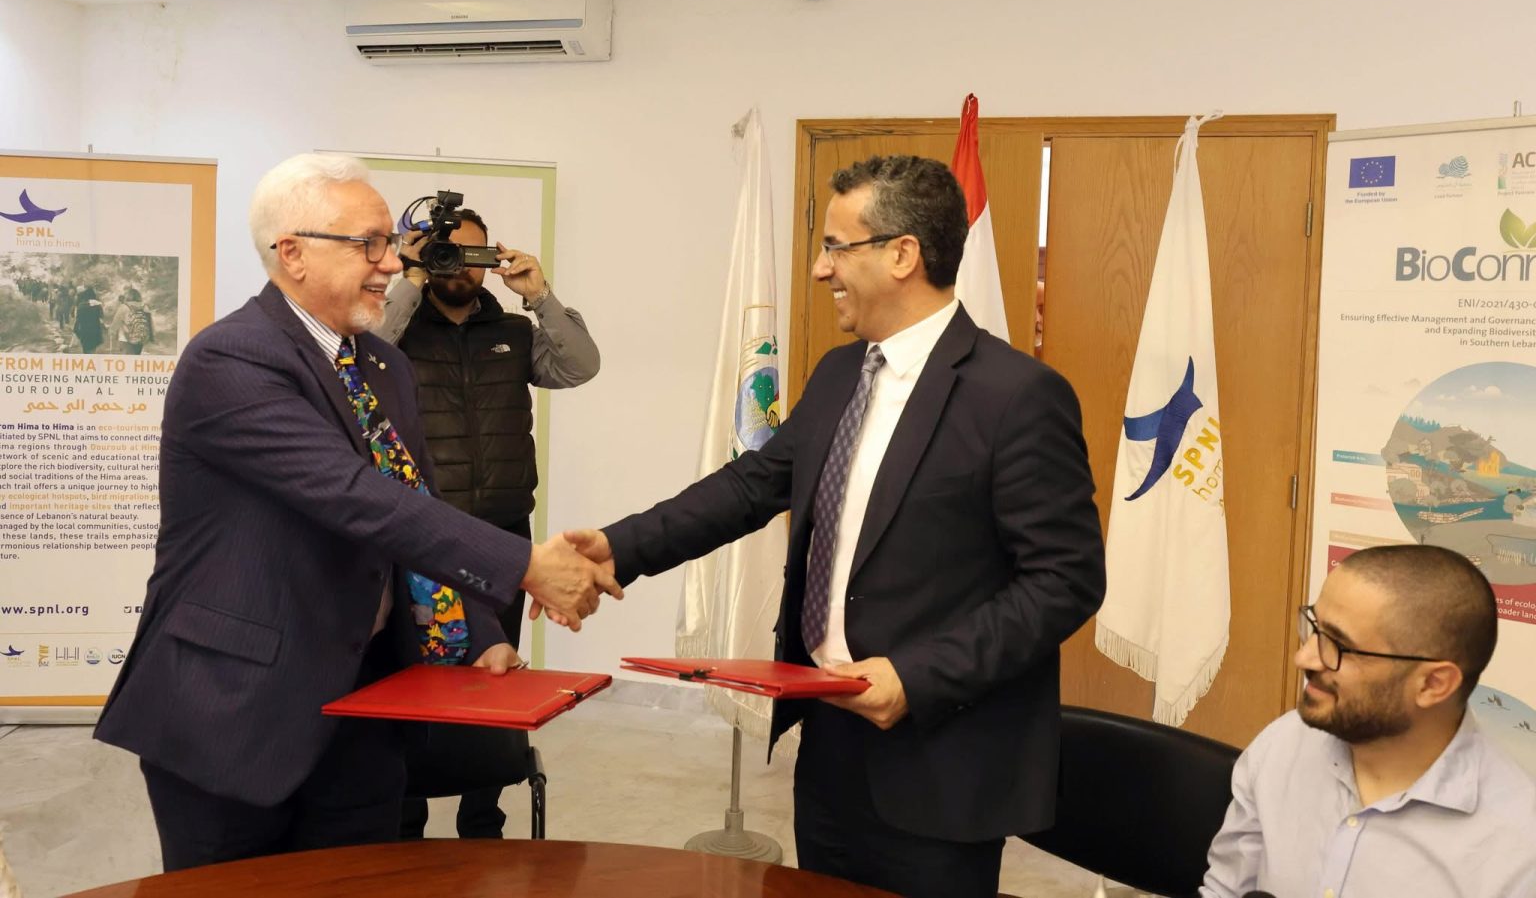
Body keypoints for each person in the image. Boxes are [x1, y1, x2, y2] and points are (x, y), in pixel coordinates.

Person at [558, 155, 1106, 898]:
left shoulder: (1017, 395)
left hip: (942, 757)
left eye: (836, 247)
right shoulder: (840, 373)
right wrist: (618, 547)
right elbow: (752, 485)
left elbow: (1066, 580)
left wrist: (917, 676)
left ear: (902, 254)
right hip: (828, 740)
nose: (821, 269)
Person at [93, 153, 621, 873]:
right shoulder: (232, 359)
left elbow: (415, 502)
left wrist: (478, 630)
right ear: (292, 253)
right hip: (235, 706)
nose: (391, 263)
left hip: (364, 703)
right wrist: (527, 565)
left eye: (391, 243)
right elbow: (356, 497)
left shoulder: (382, 365)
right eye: (369, 244)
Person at [378, 211, 600, 840]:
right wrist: (408, 279)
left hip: (502, 533)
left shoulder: (513, 330)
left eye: (474, 255)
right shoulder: (398, 328)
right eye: (446, 253)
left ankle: (483, 821)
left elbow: (581, 365)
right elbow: (362, 359)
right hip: (418, 534)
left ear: (492, 262)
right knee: (410, 681)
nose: (460, 266)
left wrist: (540, 295)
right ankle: (404, 825)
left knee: (493, 677)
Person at [1201, 544, 1536, 898]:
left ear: (1433, 684)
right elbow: (1225, 891)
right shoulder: (1284, 742)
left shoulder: (1518, 852)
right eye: (1314, 628)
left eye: (1339, 646)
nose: (1304, 658)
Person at [109, 286, 155, 355]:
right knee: (135, 357)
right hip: (140, 339)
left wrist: (111, 331)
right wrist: (151, 337)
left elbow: (115, 323)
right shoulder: (145, 307)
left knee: (126, 360)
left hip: (125, 340)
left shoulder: (124, 307)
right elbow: (150, 323)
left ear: (127, 296)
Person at [71, 285, 104, 354]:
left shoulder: (81, 306)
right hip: (95, 330)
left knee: (86, 349)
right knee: (93, 349)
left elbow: (78, 320)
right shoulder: (97, 305)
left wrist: (76, 331)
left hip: (84, 331)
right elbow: (101, 316)